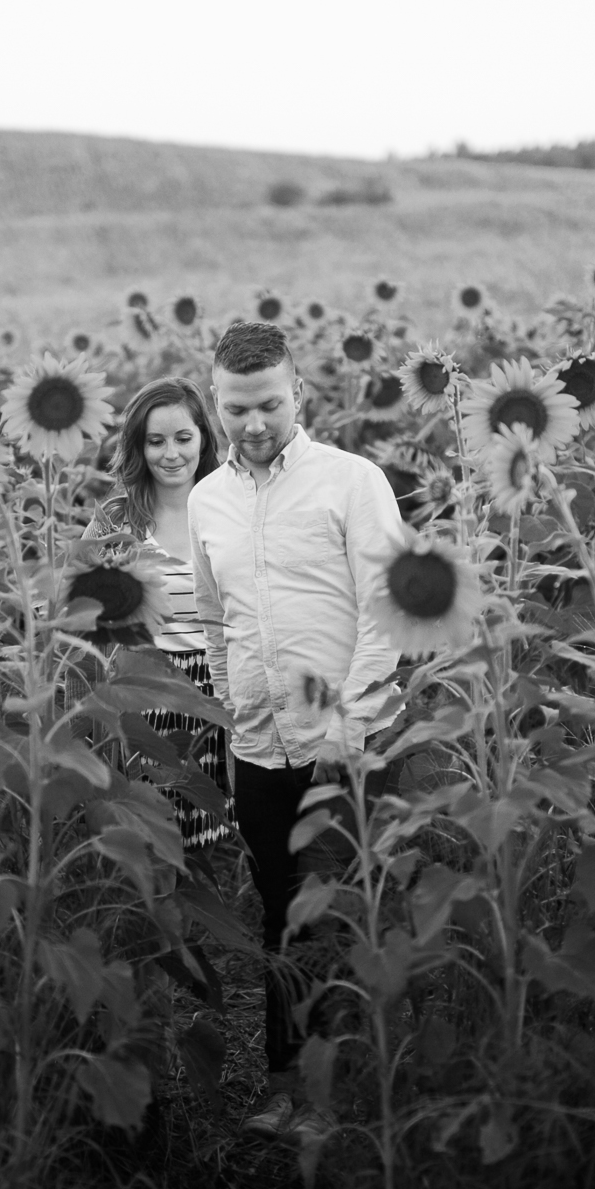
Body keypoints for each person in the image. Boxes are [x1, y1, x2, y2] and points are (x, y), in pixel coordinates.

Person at [188, 320, 407, 1142]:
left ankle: (340, 1094)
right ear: (216, 401)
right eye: (237, 408)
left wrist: (348, 725)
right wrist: (231, 704)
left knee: (339, 913)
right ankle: (287, 1085)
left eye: (269, 406)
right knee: (280, 917)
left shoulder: (352, 482)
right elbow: (216, 621)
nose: (253, 424)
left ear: (299, 395)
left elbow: (387, 611)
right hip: (257, 744)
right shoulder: (208, 499)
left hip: (341, 741)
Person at [82, 377, 232, 847]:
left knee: (216, 821)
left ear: (204, 439)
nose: (171, 454)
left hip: (216, 683)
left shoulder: (228, 508)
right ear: (138, 447)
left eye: (183, 438)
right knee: (150, 825)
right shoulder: (118, 518)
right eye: (156, 441)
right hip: (143, 685)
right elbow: (78, 598)